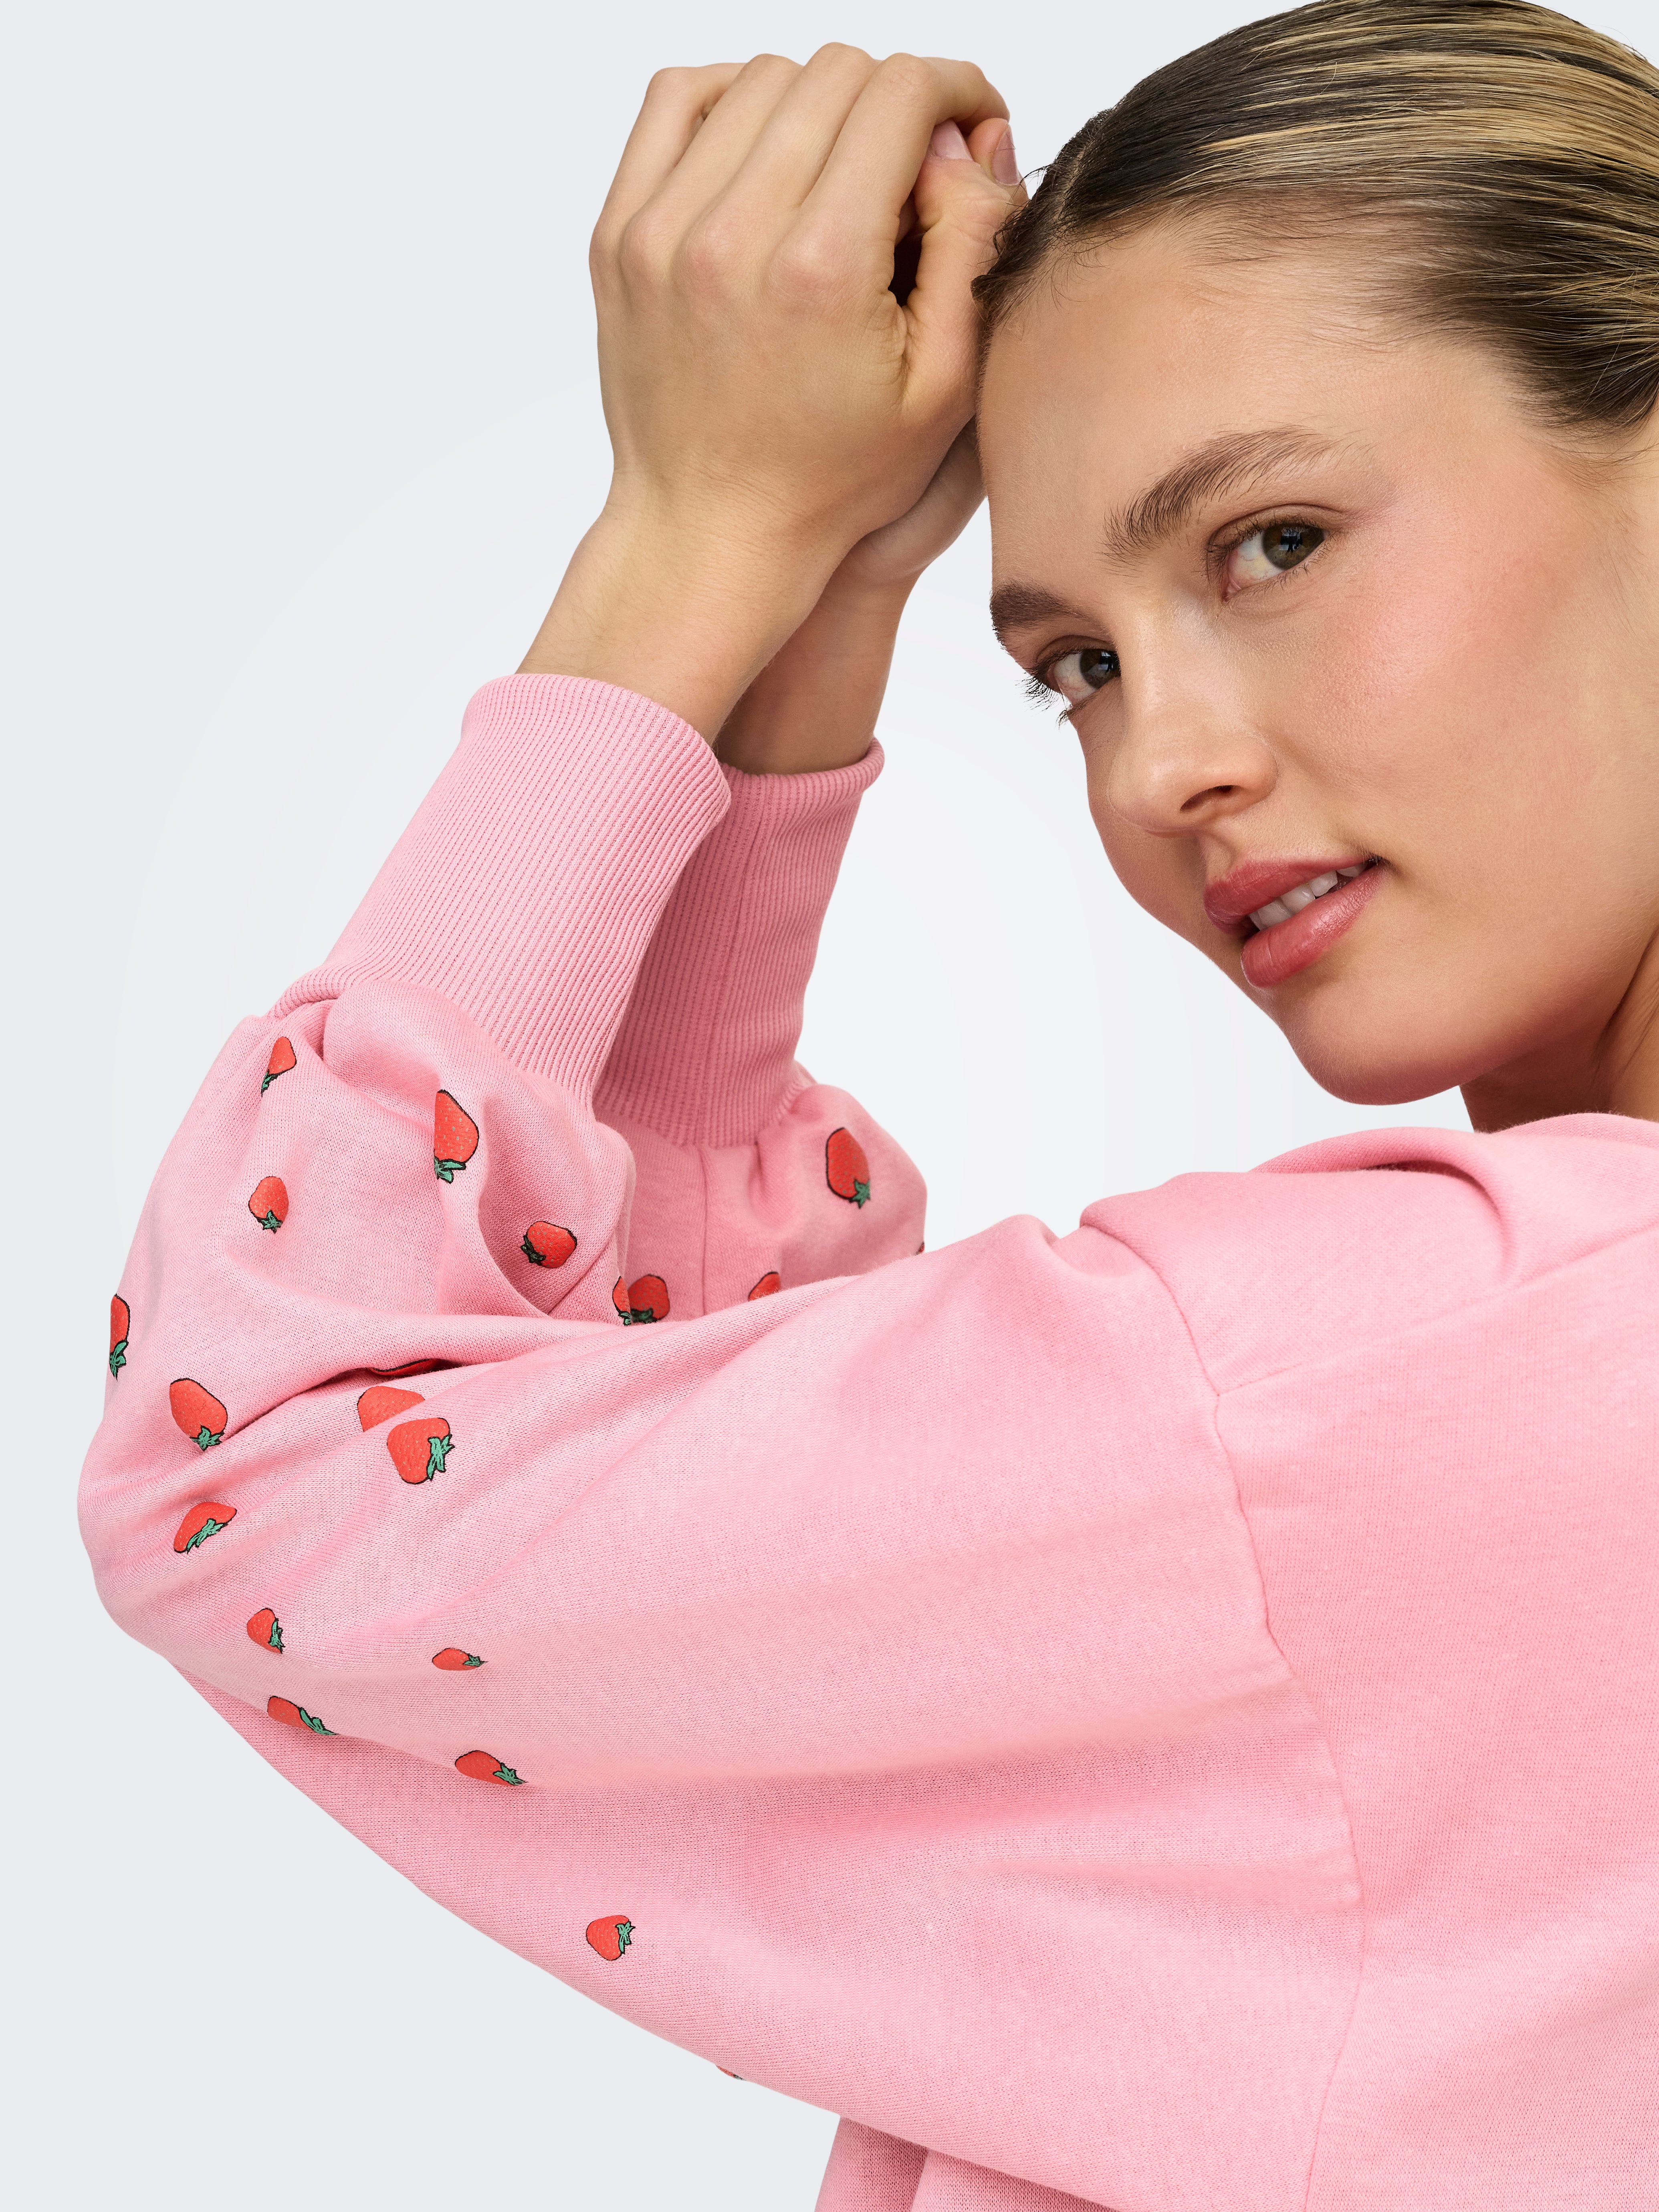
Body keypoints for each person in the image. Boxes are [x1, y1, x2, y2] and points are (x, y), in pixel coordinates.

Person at [80, 0, 1659, 2203]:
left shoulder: (1376, 1387)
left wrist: (694, 542)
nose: (1161, 765)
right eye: (1074, 667)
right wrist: (828, 603)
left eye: (1274, 544)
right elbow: (694, 1465)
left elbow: (249, 1480)